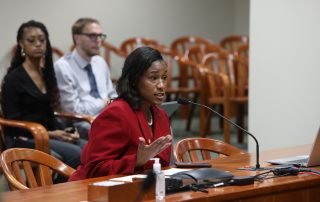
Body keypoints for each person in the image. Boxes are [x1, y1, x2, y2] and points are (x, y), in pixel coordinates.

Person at [69, 46, 172, 181]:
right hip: (93, 192)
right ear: (135, 80)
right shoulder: (116, 113)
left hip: (142, 190)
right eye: (153, 78)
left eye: (164, 78)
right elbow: (94, 169)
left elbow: (161, 165)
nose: (161, 85)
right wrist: (136, 161)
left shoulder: (161, 115)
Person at [1, 20, 87, 177]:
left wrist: (65, 131)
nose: (38, 44)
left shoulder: (46, 74)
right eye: (31, 40)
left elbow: (49, 111)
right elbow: (12, 124)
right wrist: (52, 134)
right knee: (75, 153)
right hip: (23, 137)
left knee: (87, 148)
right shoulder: (13, 79)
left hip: (46, 134)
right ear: (21, 44)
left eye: (42, 39)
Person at [54, 18, 117, 139]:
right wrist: (103, 103)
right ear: (77, 38)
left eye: (100, 36)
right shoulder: (63, 67)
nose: (98, 40)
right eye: (92, 35)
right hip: (81, 122)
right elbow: (72, 110)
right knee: (112, 133)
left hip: (107, 115)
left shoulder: (100, 62)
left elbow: (112, 95)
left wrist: (109, 104)